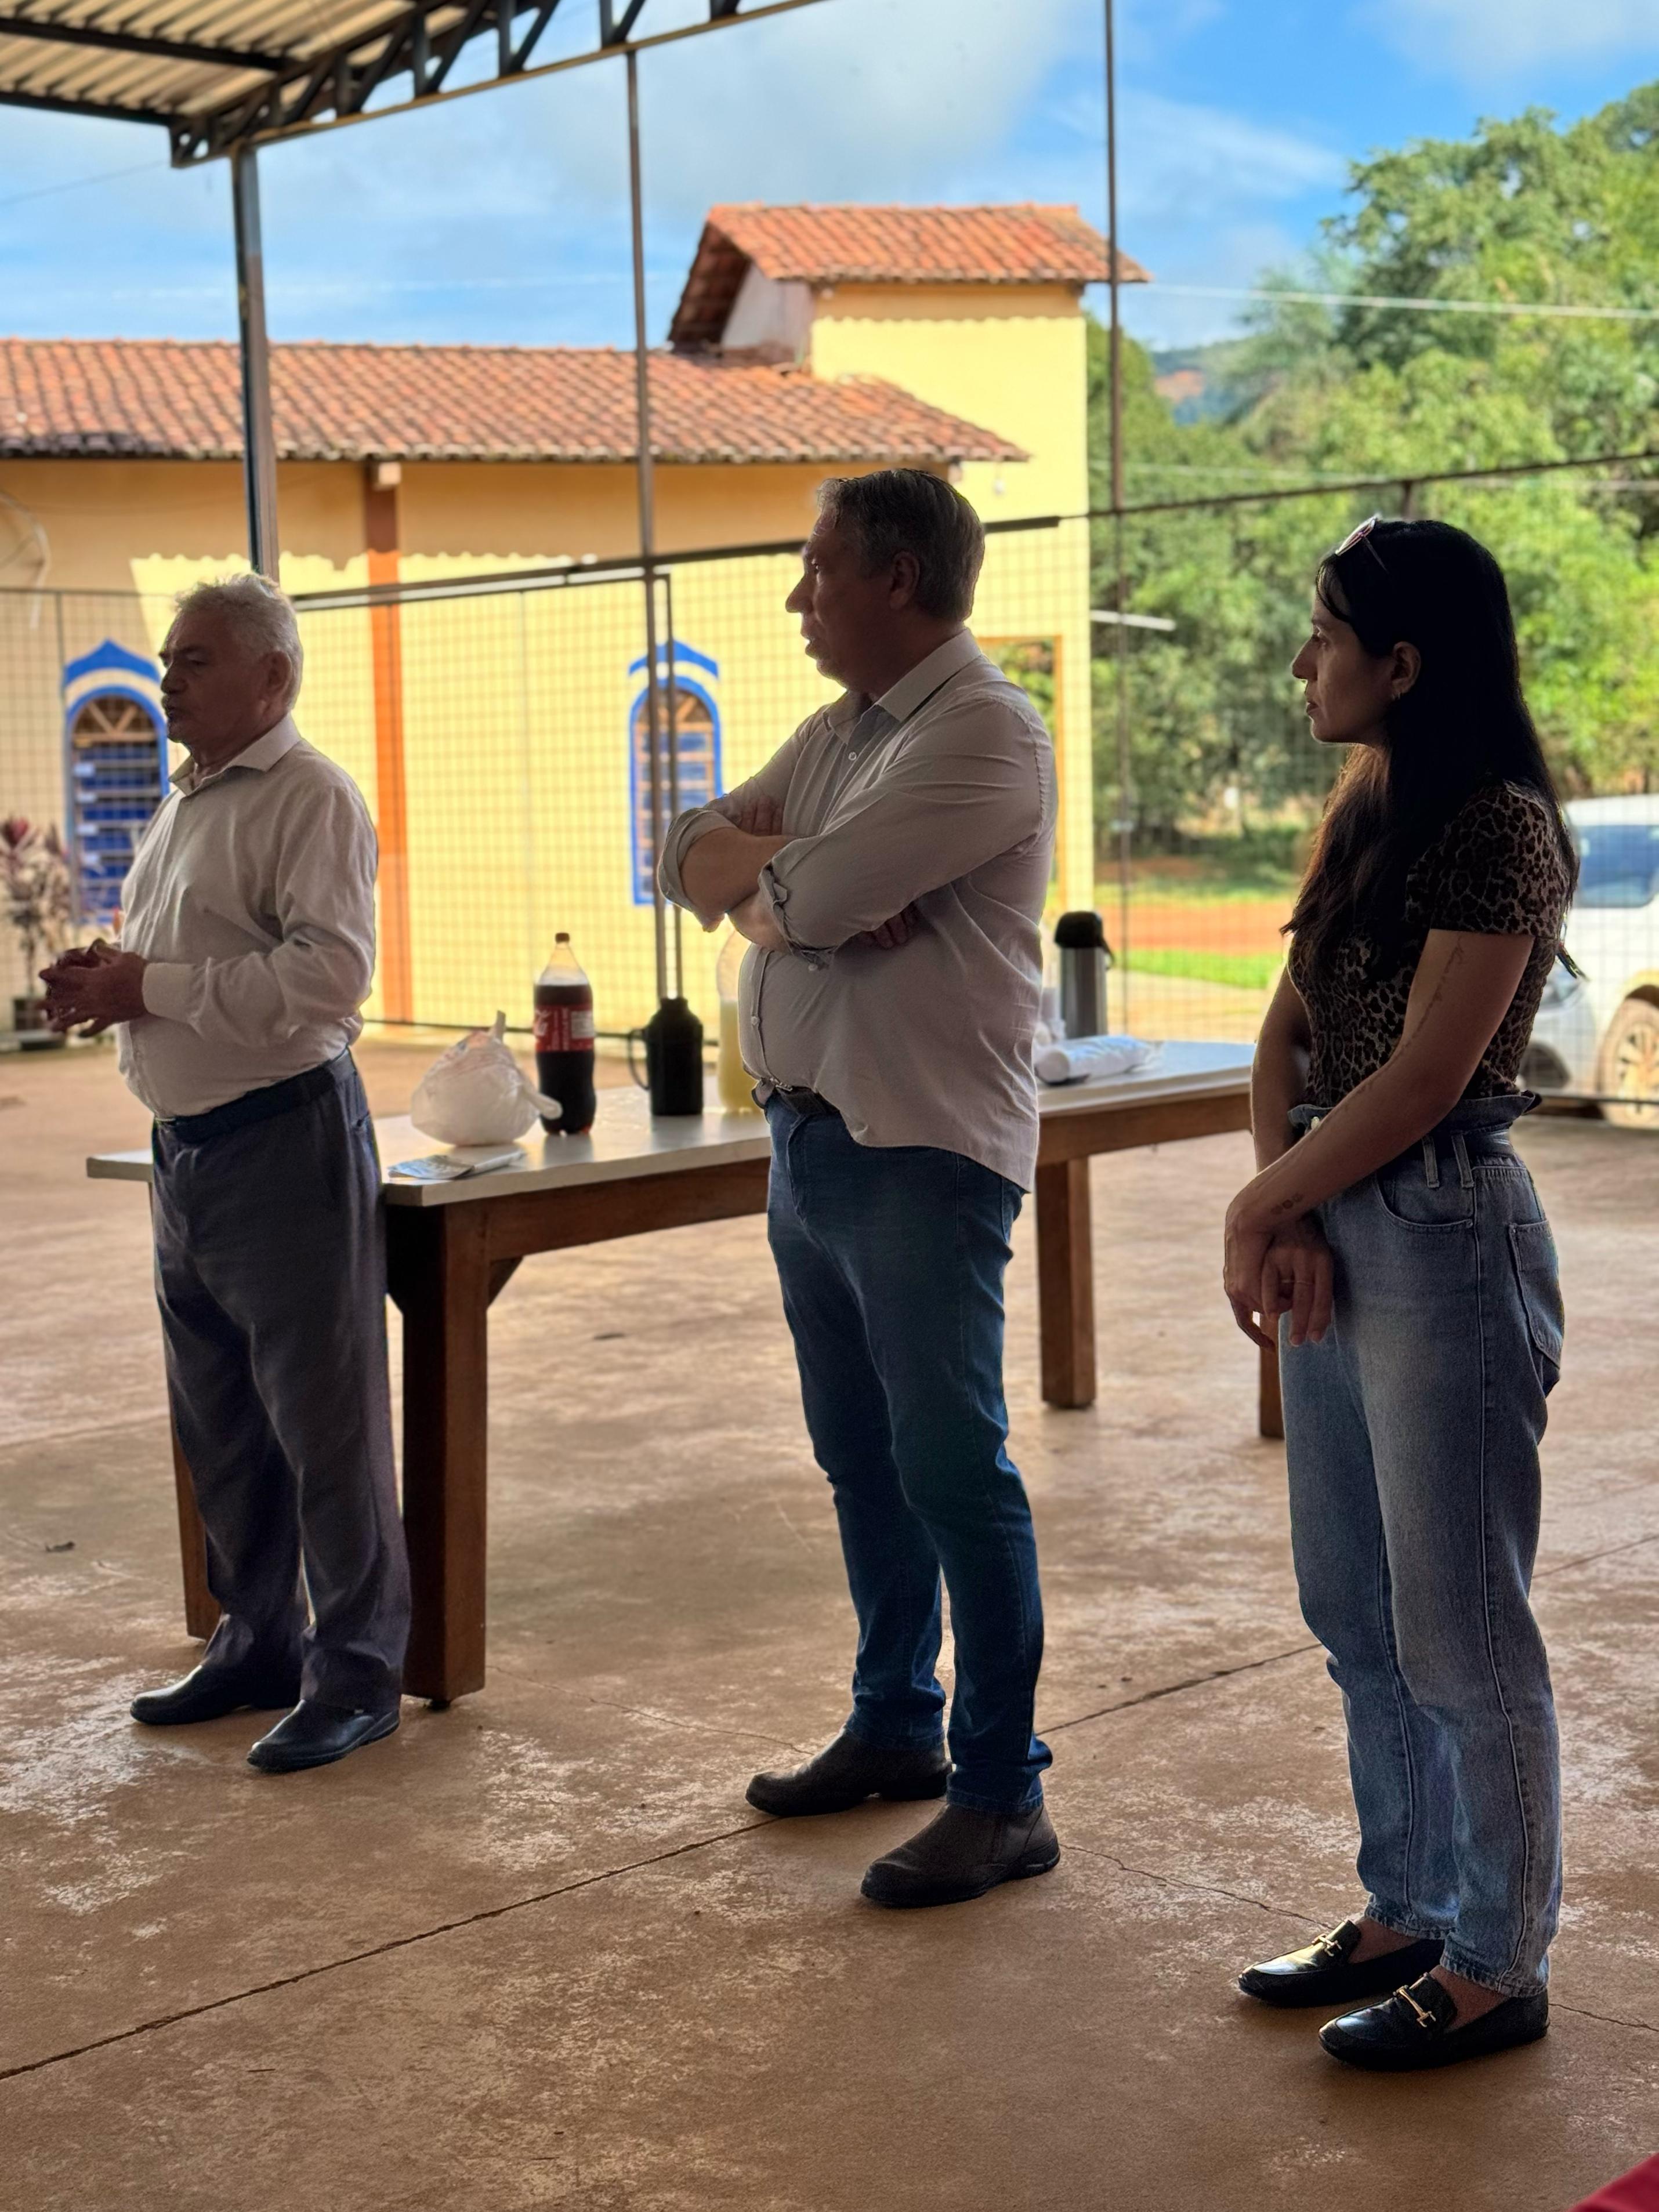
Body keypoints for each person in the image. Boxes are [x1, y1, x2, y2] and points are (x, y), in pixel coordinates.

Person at [658, 469, 1058, 1907]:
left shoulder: (982, 731)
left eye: (818, 568)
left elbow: (802, 901)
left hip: (918, 1150)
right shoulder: (843, 733)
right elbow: (683, 849)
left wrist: (779, 886)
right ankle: (895, 1720)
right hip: (812, 1143)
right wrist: (785, 877)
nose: (796, 596)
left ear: (896, 577)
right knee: (860, 1457)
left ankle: (1000, 1792)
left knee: (951, 1468)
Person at [1224, 517, 1574, 2069]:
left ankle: (1495, 1957)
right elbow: (1284, 1037)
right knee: (1353, 1603)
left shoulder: (1498, 826)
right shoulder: (1365, 804)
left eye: (1323, 632)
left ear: (1405, 661)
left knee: (1458, 1626)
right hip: (1343, 1212)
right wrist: (1290, 1203)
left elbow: (1429, 1074)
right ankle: (1409, 1904)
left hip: (1441, 1225)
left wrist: (1264, 1198)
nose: (1302, 661)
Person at [41, 574, 410, 1774]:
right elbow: (194, 956)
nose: (166, 682)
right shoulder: (185, 799)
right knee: (222, 1422)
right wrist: (112, 977)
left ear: (272, 677)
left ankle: (356, 1675)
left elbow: (329, 977)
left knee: (323, 1425)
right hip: (186, 1149)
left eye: (194, 660)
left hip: (283, 1140)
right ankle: (257, 1641)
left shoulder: (311, 796)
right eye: (167, 659)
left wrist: (147, 985)